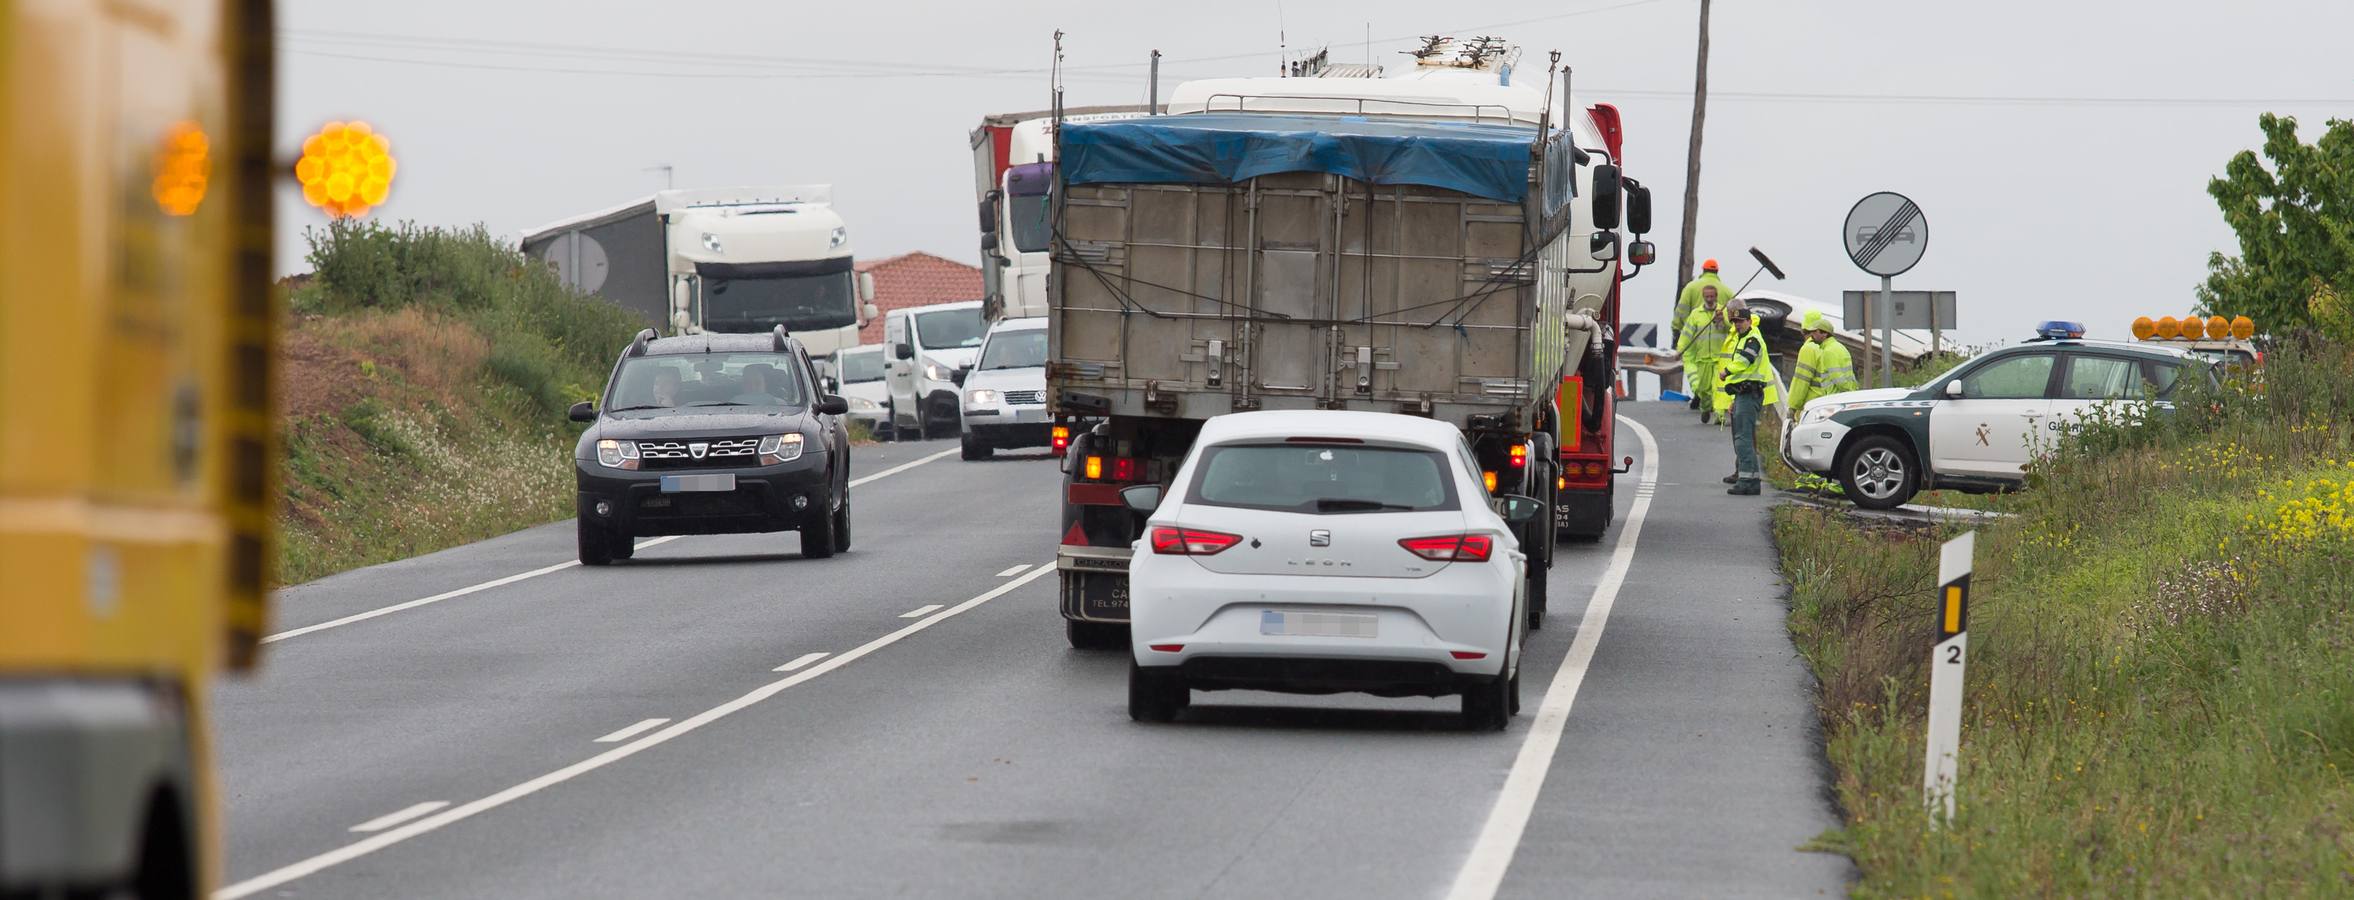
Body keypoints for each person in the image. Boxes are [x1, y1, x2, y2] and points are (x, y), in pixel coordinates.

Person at [1720, 299, 1774, 495]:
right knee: (1743, 438)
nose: (1737, 325)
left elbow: (1744, 361)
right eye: (1735, 322)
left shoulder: (1752, 339)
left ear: (1749, 321)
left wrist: (1726, 371)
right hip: (1743, 394)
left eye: (1740, 322)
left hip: (1750, 394)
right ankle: (1750, 480)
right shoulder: (1744, 339)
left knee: (1743, 439)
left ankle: (1747, 481)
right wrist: (1734, 400)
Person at [1675, 284, 1728, 421]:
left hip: (1719, 358)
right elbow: (1687, 334)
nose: (1709, 299)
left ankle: (1719, 416)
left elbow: (1731, 329)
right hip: (1702, 358)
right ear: (1703, 297)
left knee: (1718, 389)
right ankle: (1705, 408)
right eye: (1707, 296)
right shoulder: (1696, 315)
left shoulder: (1723, 311)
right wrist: (1680, 350)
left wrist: (1722, 321)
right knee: (1703, 389)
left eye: (1712, 296)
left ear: (1716, 296)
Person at [1674, 258, 1730, 338]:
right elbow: (1733, 318)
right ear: (1717, 272)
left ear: (1703, 270)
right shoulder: (1727, 291)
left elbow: (1681, 311)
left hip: (1694, 337)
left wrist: (1676, 329)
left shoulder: (1690, 288)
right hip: (1719, 340)